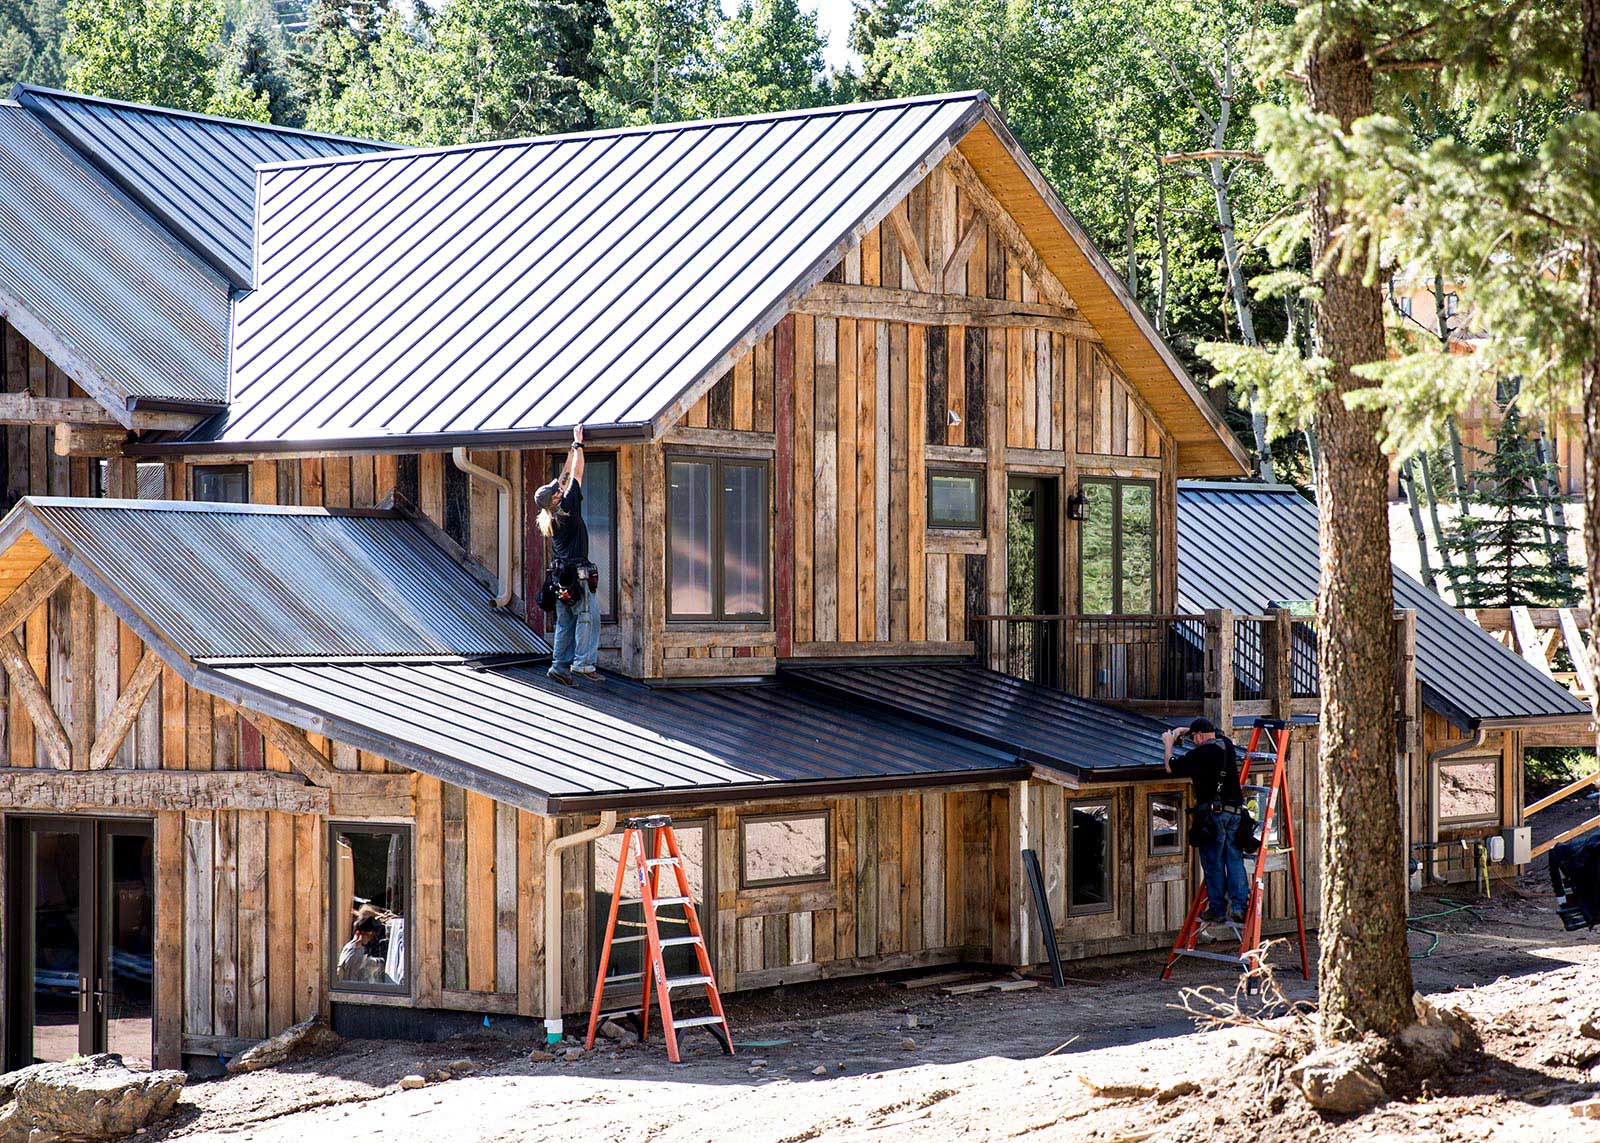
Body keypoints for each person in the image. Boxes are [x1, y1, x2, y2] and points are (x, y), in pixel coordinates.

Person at [1162, 717, 1250, 924]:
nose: (1193, 742)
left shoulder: (1200, 754)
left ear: (1199, 736)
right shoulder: (1226, 745)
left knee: (1214, 862)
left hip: (1213, 816)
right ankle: (1239, 907)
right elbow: (1213, 732)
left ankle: (1217, 909)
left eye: (1194, 738)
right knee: (1234, 859)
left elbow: (1170, 767)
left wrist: (1169, 743)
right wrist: (1184, 730)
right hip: (1235, 814)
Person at [534, 425, 600, 686]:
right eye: (557, 491)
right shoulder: (568, 508)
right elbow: (577, 475)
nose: (560, 489)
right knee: (589, 617)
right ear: (555, 499)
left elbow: (563, 479)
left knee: (565, 623)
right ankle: (583, 664)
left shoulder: (548, 516)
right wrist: (579, 445)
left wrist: (571, 451)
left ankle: (559, 666)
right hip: (577, 576)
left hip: (560, 578)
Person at [336, 904, 390, 983]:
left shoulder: (360, 948)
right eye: (368, 935)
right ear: (358, 933)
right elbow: (344, 974)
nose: (369, 938)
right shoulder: (353, 950)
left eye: (371, 935)